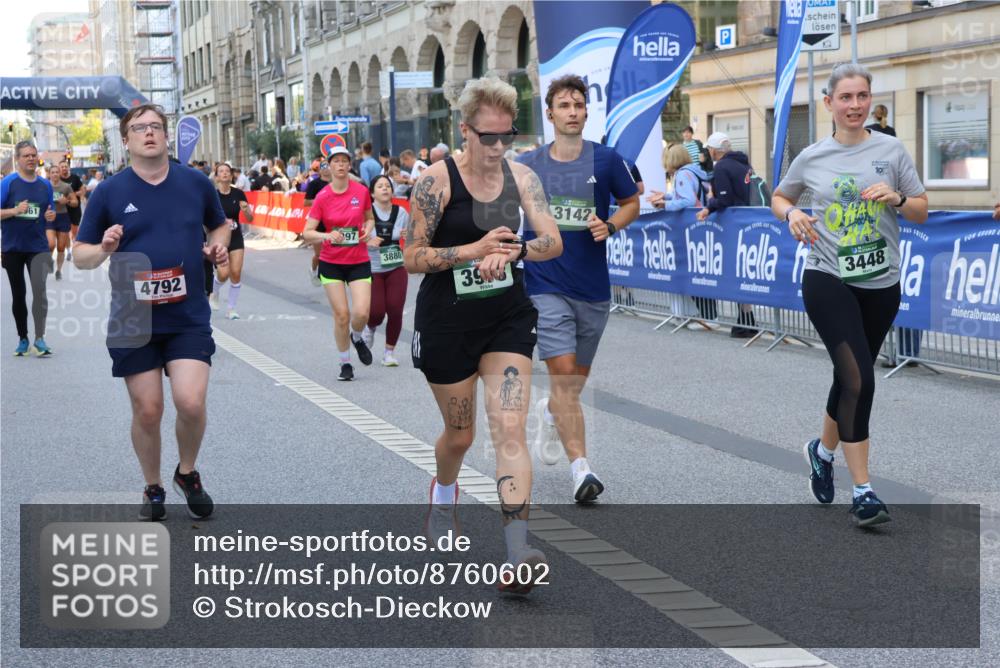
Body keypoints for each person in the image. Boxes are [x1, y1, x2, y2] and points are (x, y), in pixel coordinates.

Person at [405, 77, 562, 593]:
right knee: (461, 436)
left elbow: (553, 241)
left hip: (506, 318)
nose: (497, 147)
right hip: (446, 322)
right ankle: (443, 495)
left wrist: (517, 251)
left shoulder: (522, 178)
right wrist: (473, 251)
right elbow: (411, 257)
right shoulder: (436, 181)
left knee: (509, 428)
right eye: (487, 137)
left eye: (506, 136)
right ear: (465, 131)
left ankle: (517, 553)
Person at [770, 63, 927, 527]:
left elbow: (921, 210)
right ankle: (863, 491)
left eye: (861, 96)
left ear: (869, 100)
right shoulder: (812, 156)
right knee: (860, 379)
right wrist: (791, 215)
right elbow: (779, 196)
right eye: (845, 97)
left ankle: (821, 452)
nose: (854, 105)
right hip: (827, 278)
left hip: (881, 283)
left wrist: (898, 199)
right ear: (829, 103)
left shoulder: (891, 149)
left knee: (848, 377)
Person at [73, 103, 230, 521]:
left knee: (190, 402)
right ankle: (153, 486)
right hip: (134, 318)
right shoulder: (109, 192)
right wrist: (104, 247)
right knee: (148, 410)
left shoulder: (195, 182)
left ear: (166, 135)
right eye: (140, 128)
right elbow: (80, 256)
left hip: (187, 314)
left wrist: (217, 245)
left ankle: (187, 472)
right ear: (126, 140)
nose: (149, 133)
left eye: (156, 126)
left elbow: (220, 224)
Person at [517, 75, 640, 503]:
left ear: (586, 112)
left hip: (593, 289)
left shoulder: (606, 160)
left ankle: (553, 412)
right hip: (544, 283)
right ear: (550, 114)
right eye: (564, 106)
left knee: (573, 383)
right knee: (565, 376)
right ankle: (581, 470)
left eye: (579, 105)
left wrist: (610, 225)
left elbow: (631, 203)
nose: (572, 112)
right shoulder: (528, 164)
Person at [302, 146, 376, 381]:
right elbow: (307, 232)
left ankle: (357, 336)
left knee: (361, 313)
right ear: (329, 166)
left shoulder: (361, 191)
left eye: (345, 161)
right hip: (331, 262)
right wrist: (327, 235)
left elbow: (370, 218)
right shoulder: (323, 197)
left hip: (358, 260)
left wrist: (368, 229)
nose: (341, 165)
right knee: (342, 315)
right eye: (336, 161)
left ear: (349, 165)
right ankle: (345, 363)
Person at [697, 131, 758, 337]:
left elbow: (725, 199)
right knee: (744, 272)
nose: (708, 152)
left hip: (734, 226)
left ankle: (746, 322)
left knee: (736, 272)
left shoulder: (722, 167)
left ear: (714, 150)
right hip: (749, 221)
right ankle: (746, 319)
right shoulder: (744, 164)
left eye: (709, 149)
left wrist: (709, 204)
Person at [1, 140, 56, 356]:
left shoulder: (45, 185)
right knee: (19, 294)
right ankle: (23, 338)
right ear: (18, 159)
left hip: (37, 247)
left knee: (40, 293)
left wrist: (50, 216)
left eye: (33, 155)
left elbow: (49, 211)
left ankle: (39, 339)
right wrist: (14, 211)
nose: (31, 159)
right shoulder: (8, 183)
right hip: (13, 247)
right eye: (26, 155)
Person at [362, 174, 409, 367]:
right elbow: (355, 235)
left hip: (396, 266)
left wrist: (407, 235)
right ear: (372, 193)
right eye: (380, 186)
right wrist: (367, 240)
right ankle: (370, 327)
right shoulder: (366, 213)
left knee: (396, 309)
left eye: (388, 186)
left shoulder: (402, 213)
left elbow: (410, 236)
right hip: (372, 267)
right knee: (376, 312)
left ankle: (389, 352)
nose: (385, 188)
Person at [211, 163, 254, 319]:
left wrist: (246, 210)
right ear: (216, 177)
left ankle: (231, 309)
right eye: (221, 171)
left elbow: (250, 218)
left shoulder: (238, 194)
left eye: (227, 171)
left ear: (231, 176)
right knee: (223, 274)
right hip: (219, 238)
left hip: (235, 237)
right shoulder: (212, 195)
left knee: (235, 273)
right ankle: (214, 292)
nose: (225, 173)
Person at [648, 144, 710, 211]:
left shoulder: (682, 174)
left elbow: (689, 201)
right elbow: (686, 196)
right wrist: (665, 196)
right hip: (699, 214)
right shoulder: (691, 171)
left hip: (692, 216)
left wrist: (666, 204)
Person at [304, 160, 333, 285]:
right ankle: (314, 269)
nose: (326, 170)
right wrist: (320, 199)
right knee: (319, 254)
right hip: (318, 222)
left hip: (334, 221)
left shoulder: (336, 183)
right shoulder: (314, 184)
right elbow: (306, 202)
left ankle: (331, 275)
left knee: (334, 252)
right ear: (319, 170)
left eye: (328, 167)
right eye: (323, 168)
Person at [46, 165, 78, 280]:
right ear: (49, 174)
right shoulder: (45, 186)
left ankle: (59, 270)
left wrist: (67, 201)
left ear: (59, 173)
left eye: (56, 172)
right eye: (52, 172)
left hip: (63, 217)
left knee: (61, 247)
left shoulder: (66, 187)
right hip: (49, 217)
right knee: (51, 244)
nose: (55, 174)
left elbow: (75, 202)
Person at [60, 160, 85, 261]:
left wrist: (74, 194)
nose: (64, 168)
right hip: (63, 209)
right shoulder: (58, 179)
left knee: (74, 231)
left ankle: (75, 246)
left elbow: (83, 190)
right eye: (62, 167)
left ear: (68, 167)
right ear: (59, 168)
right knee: (65, 231)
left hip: (75, 207)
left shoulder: (75, 178)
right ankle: (69, 251)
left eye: (65, 166)